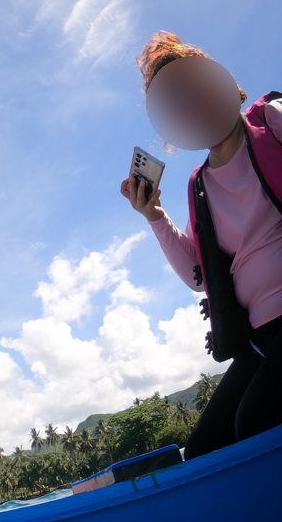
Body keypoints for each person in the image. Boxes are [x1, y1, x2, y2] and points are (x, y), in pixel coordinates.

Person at [121, 32, 282, 460]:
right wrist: (153, 216)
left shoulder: (272, 120)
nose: (192, 104)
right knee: (205, 451)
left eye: (197, 89)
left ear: (225, 84)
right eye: (176, 103)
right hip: (261, 336)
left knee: (256, 422)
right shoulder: (200, 186)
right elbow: (199, 274)